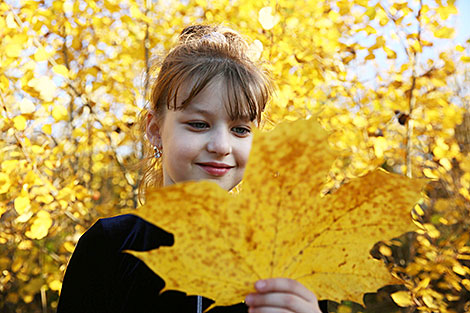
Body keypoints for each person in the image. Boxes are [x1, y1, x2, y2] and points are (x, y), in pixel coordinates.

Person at [57, 24, 326, 313]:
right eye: (199, 124)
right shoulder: (108, 247)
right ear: (155, 129)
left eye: (240, 129)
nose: (222, 146)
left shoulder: (287, 259)